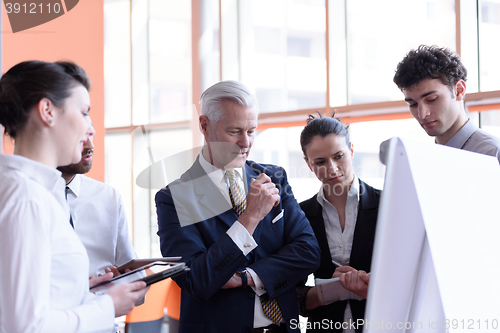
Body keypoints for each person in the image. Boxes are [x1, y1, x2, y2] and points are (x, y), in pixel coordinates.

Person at [156, 80, 320, 333]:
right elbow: (197, 279)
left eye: (252, 131)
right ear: (204, 125)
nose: (246, 142)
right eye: (234, 132)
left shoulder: (274, 177)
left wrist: (247, 277)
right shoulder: (174, 197)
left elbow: (308, 252)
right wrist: (250, 217)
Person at [0, 60, 148, 332]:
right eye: (83, 113)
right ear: (47, 111)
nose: (90, 129)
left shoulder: (33, 191)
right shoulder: (26, 197)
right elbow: (25, 326)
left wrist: (77, 293)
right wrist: (107, 307)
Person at [297, 114, 380, 333]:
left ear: (351, 151)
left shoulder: (389, 205)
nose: (332, 168)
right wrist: (333, 291)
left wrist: (369, 290)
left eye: (339, 156)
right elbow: (290, 294)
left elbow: (410, 281)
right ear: (308, 164)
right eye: (320, 162)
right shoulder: (299, 214)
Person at [393, 45, 500, 162]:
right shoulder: (423, 161)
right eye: (413, 104)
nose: (422, 114)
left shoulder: (492, 154)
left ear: (459, 90)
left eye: (432, 99)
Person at [57, 136, 138, 277]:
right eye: (80, 136)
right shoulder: (19, 198)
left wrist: (113, 289)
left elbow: (135, 275)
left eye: (90, 134)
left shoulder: (108, 197)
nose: (90, 145)